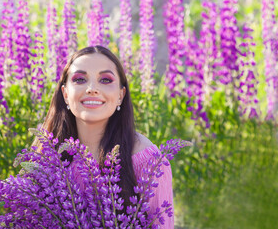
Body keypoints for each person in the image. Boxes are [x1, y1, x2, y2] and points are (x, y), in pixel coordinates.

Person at [33, 45, 174, 228]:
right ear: (65, 94)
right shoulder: (47, 156)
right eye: (80, 79)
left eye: (105, 80)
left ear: (121, 96)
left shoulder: (149, 162)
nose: (92, 89)